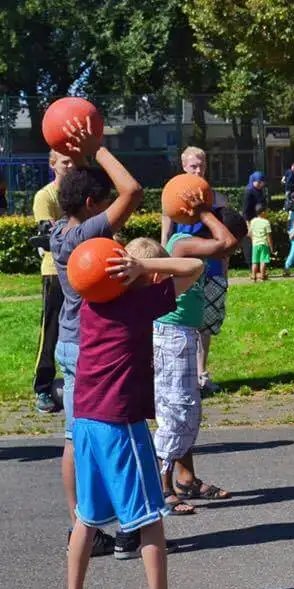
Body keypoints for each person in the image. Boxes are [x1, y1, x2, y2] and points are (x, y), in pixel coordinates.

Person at [63, 238, 201, 589]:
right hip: (119, 424)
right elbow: (193, 268)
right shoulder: (139, 303)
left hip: (86, 421)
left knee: (86, 519)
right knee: (150, 518)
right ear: (145, 276)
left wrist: (134, 269)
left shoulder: (92, 305)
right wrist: (144, 270)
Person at [51, 117, 142, 558]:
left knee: (74, 437)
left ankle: (81, 528)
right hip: (91, 347)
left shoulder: (58, 231)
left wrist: (77, 162)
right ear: (91, 204)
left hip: (67, 344)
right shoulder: (89, 231)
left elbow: (71, 191)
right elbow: (134, 191)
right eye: (102, 204)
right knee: (113, 434)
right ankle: (128, 524)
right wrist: (97, 148)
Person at [152, 203, 242, 514]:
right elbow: (226, 242)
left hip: (182, 335)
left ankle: (186, 479)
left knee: (186, 409)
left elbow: (225, 245)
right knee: (174, 409)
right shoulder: (181, 242)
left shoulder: (192, 250)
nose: (233, 248)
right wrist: (205, 212)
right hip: (170, 336)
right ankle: (162, 488)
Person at [165, 146, 231, 397]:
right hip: (183, 270)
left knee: (206, 324)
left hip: (212, 268)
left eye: (201, 164)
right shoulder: (173, 195)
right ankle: (183, 375)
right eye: (193, 165)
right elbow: (166, 232)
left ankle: (202, 373)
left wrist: (223, 273)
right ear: (183, 166)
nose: (198, 169)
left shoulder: (217, 198)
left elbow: (226, 238)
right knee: (183, 321)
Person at [32, 150, 74, 413]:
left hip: (83, 271)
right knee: (51, 331)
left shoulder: (80, 193)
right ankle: (42, 389)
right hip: (54, 272)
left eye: (72, 161)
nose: (69, 165)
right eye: (64, 162)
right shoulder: (45, 196)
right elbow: (50, 234)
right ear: (53, 165)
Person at [242, 171, 267, 265]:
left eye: (262, 182)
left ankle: (259, 268)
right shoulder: (249, 192)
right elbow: (245, 211)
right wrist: (248, 226)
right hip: (251, 222)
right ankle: (252, 268)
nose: (262, 184)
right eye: (259, 182)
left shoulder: (259, 191)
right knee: (250, 246)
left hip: (259, 222)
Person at [250, 206, 273, 281]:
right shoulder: (266, 222)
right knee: (263, 261)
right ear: (262, 212)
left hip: (255, 244)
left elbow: (249, 233)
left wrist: (253, 240)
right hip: (264, 244)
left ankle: (253, 277)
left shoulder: (253, 221)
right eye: (266, 211)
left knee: (255, 261)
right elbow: (269, 236)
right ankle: (263, 276)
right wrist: (271, 247)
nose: (267, 213)